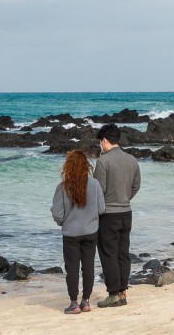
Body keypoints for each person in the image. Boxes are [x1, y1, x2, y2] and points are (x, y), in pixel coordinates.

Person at [51, 150, 106, 315]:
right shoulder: (95, 184)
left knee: (72, 269)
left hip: (70, 234)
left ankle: (73, 303)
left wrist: (64, 222)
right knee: (88, 267)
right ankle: (86, 301)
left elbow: (57, 214)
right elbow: (102, 209)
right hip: (90, 232)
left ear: (67, 167)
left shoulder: (62, 187)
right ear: (85, 166)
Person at [93, 123, 141, 308]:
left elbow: (99, 191)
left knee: (108, 254)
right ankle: (122, 292)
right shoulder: (132, 160)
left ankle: (113, 294)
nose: (100, 145)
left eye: (100, 142)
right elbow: (136, 185)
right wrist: (124, 198)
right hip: (126, 213)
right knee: (123, 254)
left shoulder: (103, 161)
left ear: (104, 140)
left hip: (109, 215)